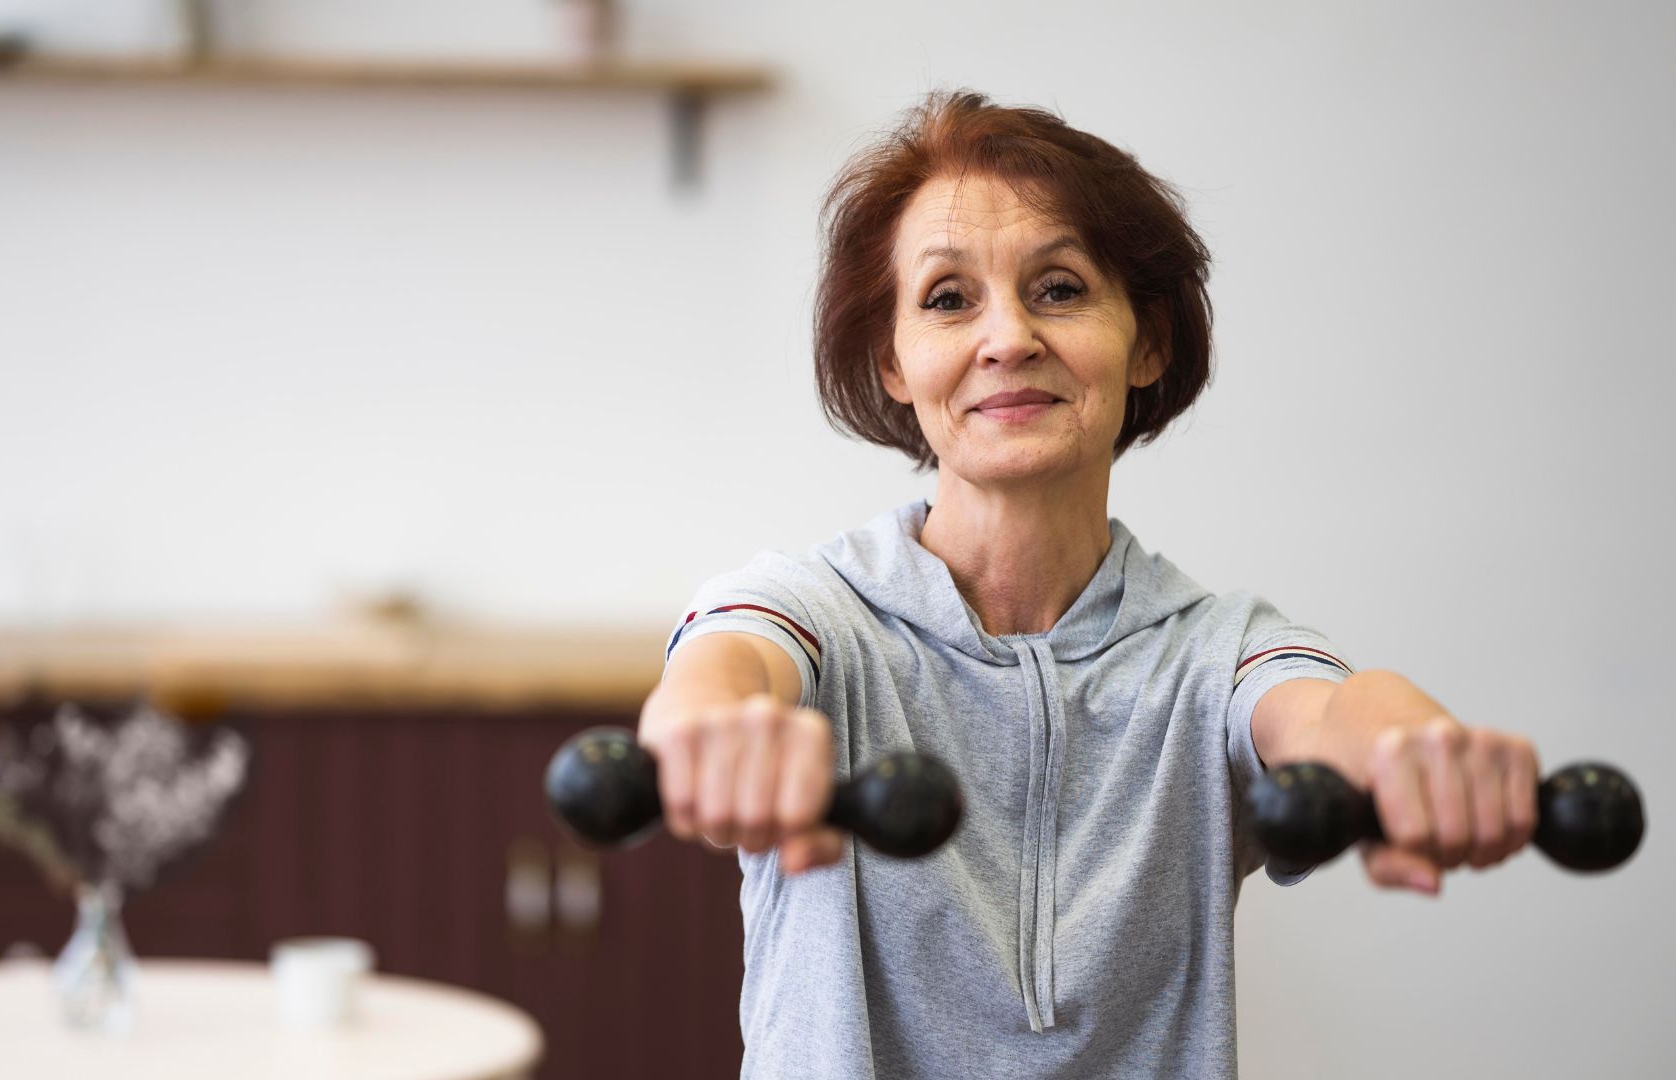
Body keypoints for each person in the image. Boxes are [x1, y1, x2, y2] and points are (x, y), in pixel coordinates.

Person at [636, 91, 1541, 1079]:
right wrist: (710, 728)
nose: (1008, 337)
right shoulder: (816, 612)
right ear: (894, 361)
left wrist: (1411, 744)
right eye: (948, 299)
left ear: (1145, 341)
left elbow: (1328, 720)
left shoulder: (1212, 650)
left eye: (1059, 288)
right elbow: (723, 671)